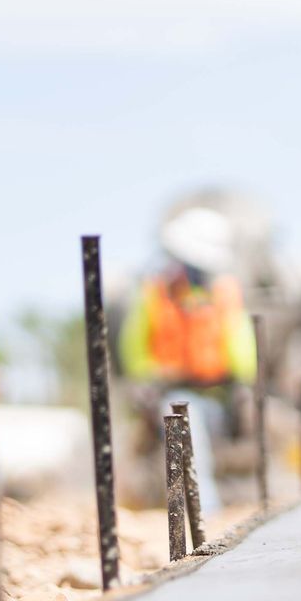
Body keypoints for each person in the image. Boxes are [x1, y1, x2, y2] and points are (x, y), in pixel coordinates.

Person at [117, 206, 255, 507]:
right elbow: (135, 348)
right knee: (186, 425)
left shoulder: (224, 294)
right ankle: (205, 514)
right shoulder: (154, 294)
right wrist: (151, 376)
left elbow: (240, 345)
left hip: (219, 394)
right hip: (173, 393)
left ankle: (213, 507)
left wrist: (242, 384)